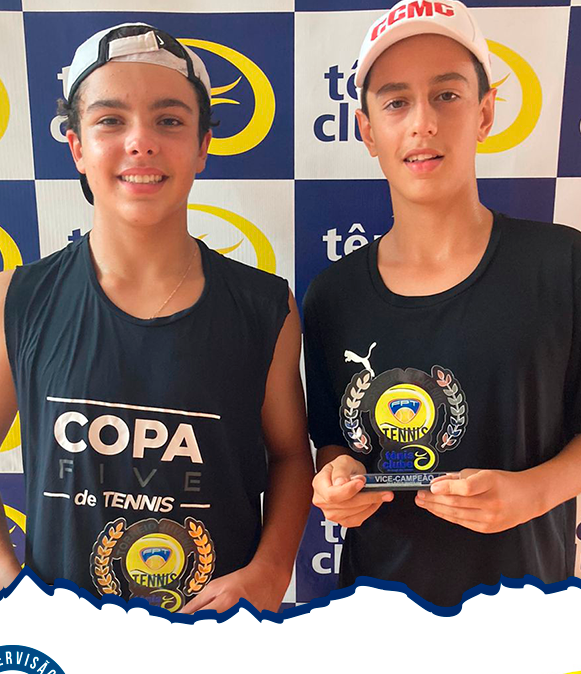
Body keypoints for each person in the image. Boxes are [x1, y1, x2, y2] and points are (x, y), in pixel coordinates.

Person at [0, 23, 313, 614]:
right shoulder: (17, 298)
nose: (140, 142)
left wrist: (270, 572)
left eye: (169, 120)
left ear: (202, 146)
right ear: (77, 147)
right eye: (110, 120)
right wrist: (13, 589)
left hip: (215, 640)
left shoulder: (266, 307)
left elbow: (292, 457)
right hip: (64, 648)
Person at [304, 0, 581, 607]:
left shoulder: (563, 264)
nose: (422, 123)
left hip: (526, 620)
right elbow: (332, 441)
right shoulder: (332, 295)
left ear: (484, 113)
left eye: (446, 95)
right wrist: (338, 480)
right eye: (396, 102)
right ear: (367, 131)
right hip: (374, 618)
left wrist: (536, 492)